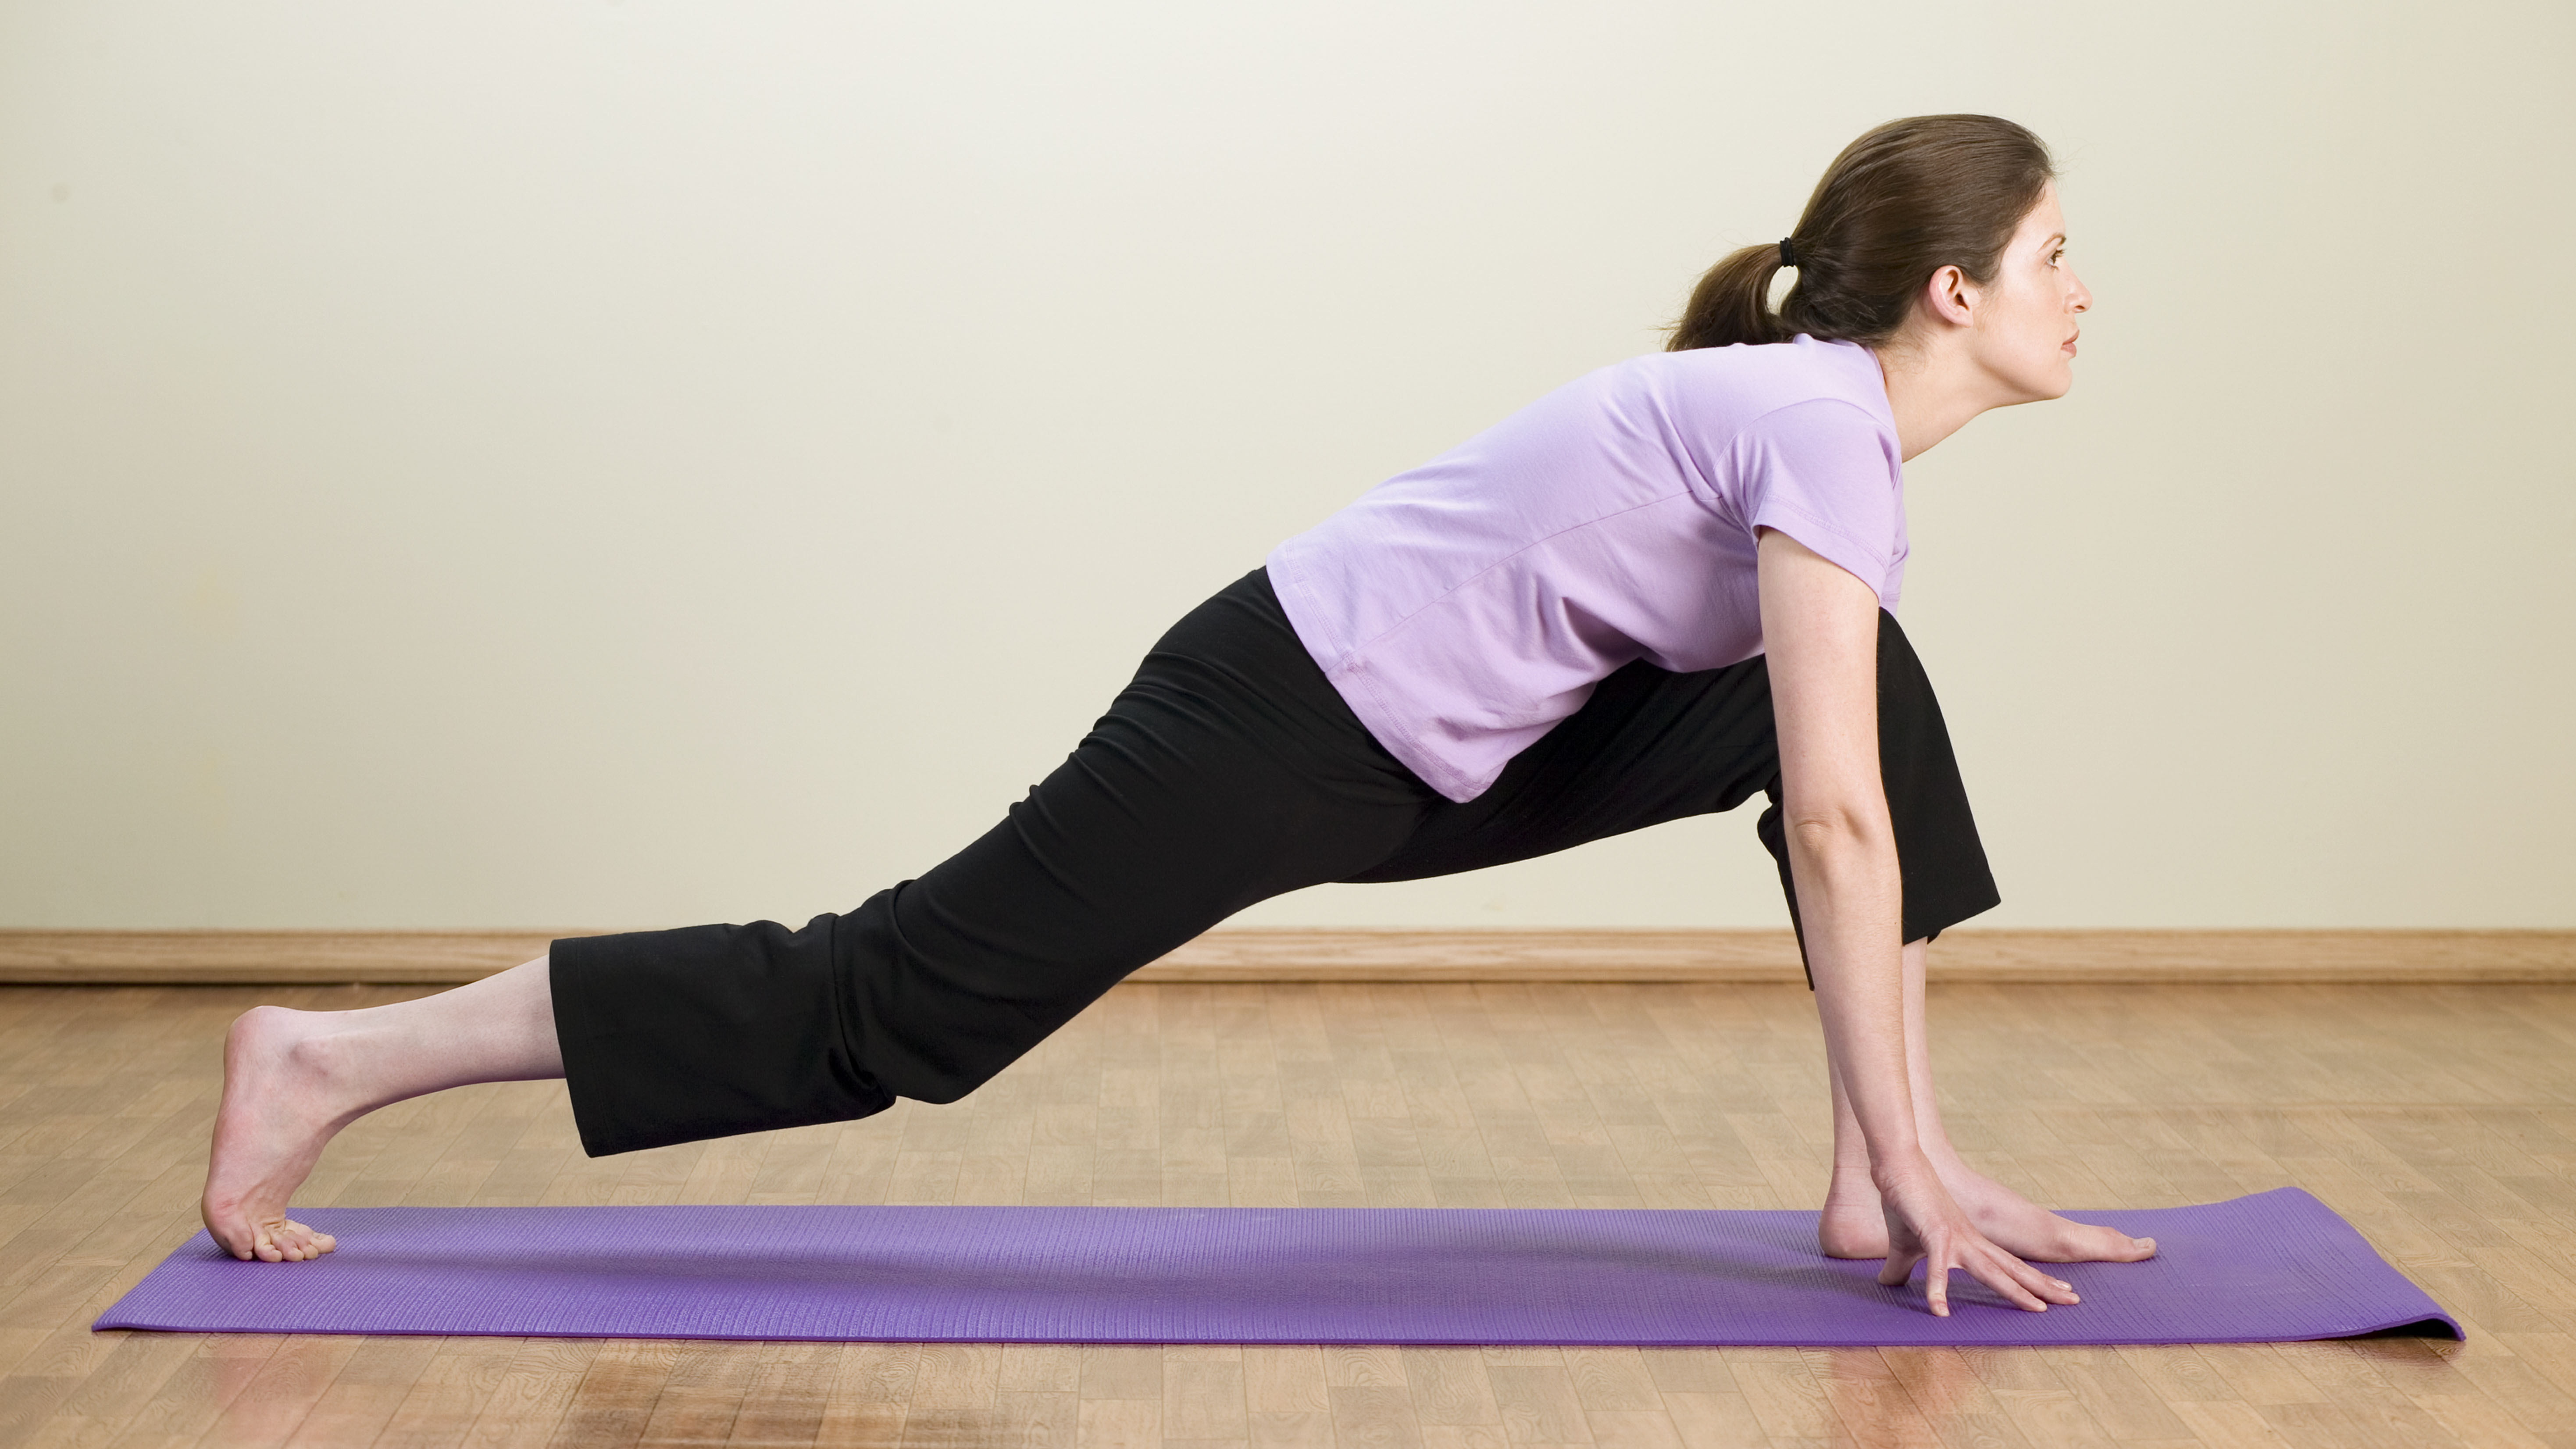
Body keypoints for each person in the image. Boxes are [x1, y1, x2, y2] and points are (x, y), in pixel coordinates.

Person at [200, 113, 2152, 1317]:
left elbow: (1832, 765)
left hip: (1444, 739)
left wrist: (1893, 1147)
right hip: (1285, 705)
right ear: (1958, 290)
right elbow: (1829, 825)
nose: (2086, 289)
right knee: (891, 1007)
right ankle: (330, 1062)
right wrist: (1927, 1161)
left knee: (1866, 699)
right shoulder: (1820, 419)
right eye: (2058, 255)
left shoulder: (1820, 432)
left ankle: (1862, 1175)